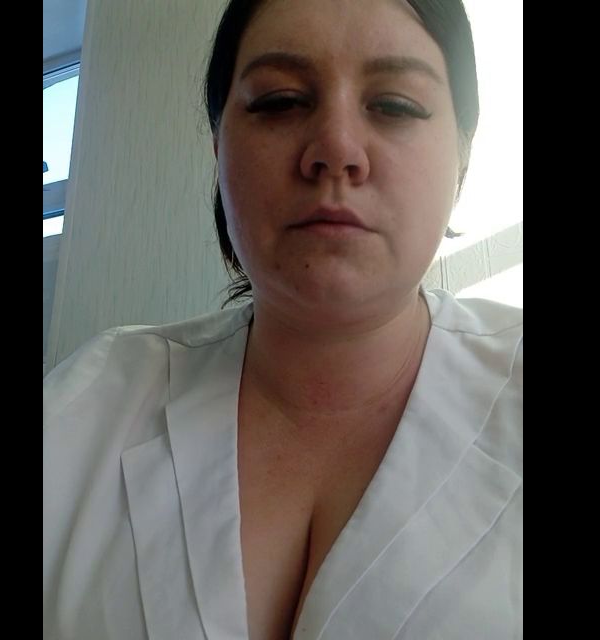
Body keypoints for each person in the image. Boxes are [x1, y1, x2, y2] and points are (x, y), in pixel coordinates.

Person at [43, 0, 522, 638]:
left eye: (395, 105)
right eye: (279, 101)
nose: (336, 149)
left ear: (462, 156)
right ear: (219, 149)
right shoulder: (86, 407)